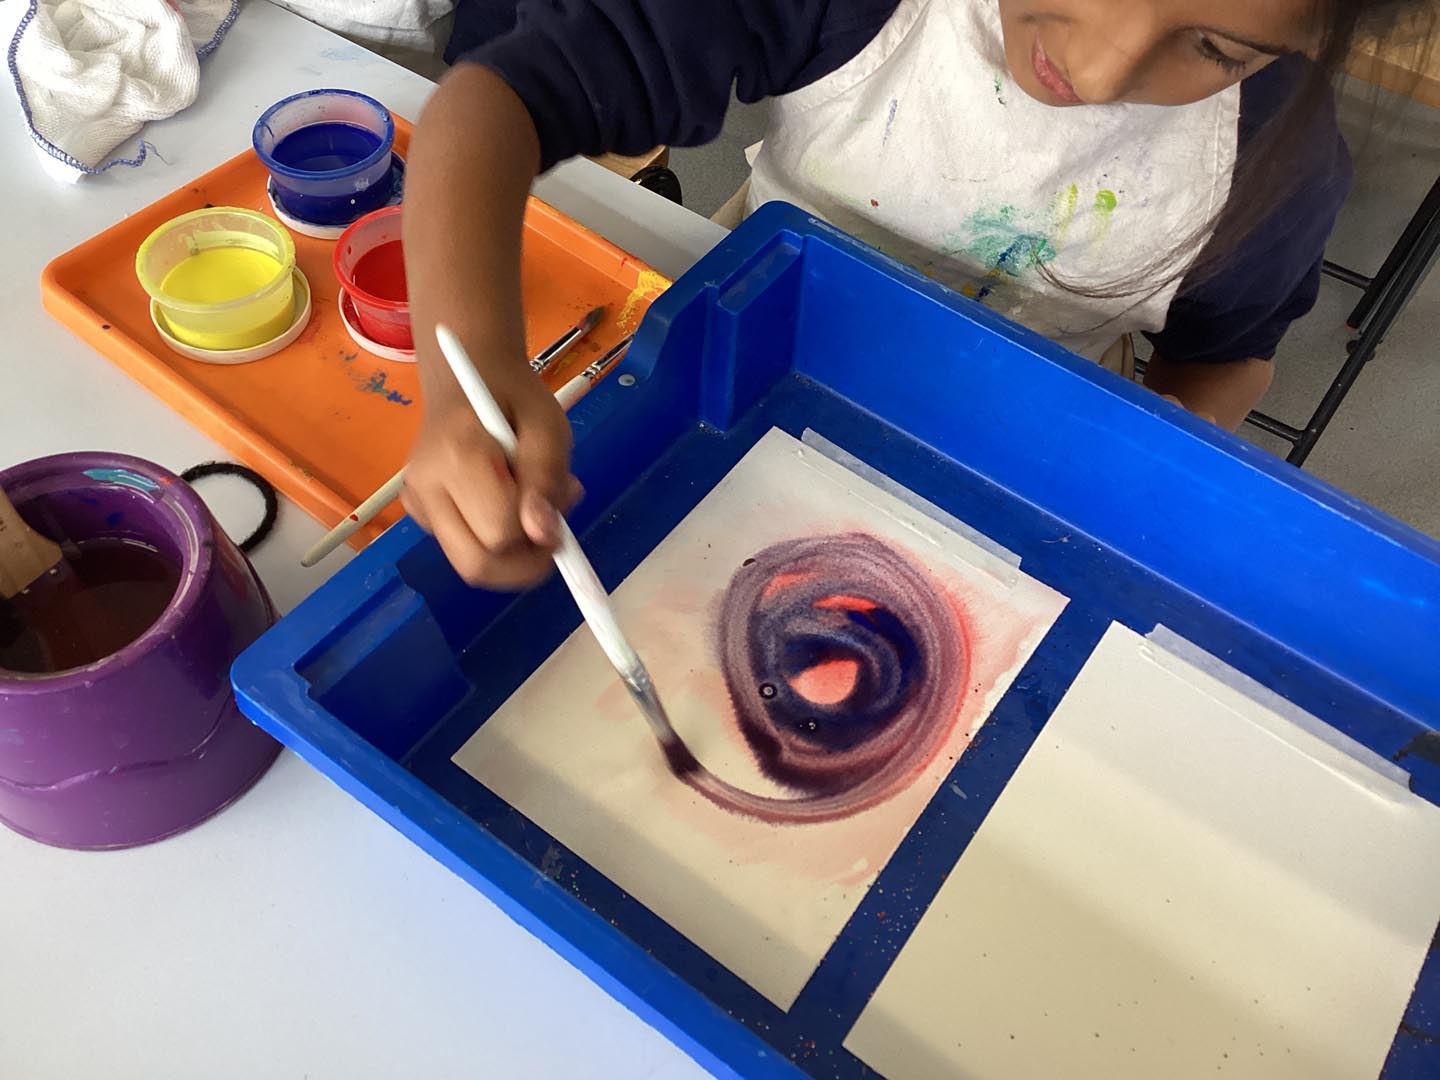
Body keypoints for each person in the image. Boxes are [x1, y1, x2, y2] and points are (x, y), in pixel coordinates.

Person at [400, 0, 1434, 588]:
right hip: (752, 342)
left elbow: (1225, 357)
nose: (1101, 62)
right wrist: (472, 379)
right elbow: (496, 102)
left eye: (1216, 46)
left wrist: (1124, 475)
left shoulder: (1275, 172)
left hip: (1020, 440)